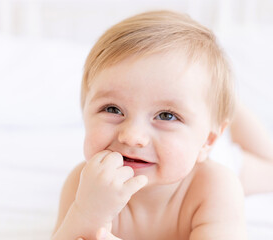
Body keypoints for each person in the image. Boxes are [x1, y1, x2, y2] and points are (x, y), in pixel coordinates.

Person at [51, 10, 248, 240]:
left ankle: (240, 111)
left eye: (166, 115)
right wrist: (86, 213)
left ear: (207, 140)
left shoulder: (216, 187)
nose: (132, 136)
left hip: (225, 160)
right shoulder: (83, 185)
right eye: (113, 109)